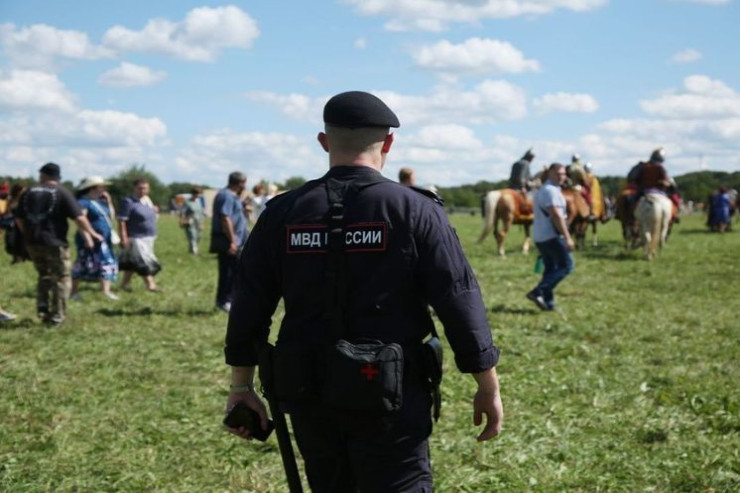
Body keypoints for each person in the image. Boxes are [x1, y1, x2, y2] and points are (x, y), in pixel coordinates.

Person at [224, 91, 503, 491]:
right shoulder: (415, 210)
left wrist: (240, 386)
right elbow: (458, 300)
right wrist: (486, 385)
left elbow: (250, 302)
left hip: (306, 389)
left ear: (324, 142)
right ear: (388, 143)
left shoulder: (282, 213)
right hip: (389, 391)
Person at [14, 163, 102, 325]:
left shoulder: (28, 192)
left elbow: (18, 217)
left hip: (33, 241)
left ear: (43, 175)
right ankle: (57, 315)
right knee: (61, 278)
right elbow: (79, 217)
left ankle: (42, 307)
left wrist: (27, 234)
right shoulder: (62, 192)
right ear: (57, 177)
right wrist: (92, 233)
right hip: (54, 242)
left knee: (43, 274)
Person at [527, 163, 575, 311]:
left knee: (551, 268)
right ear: (550, 174)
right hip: (552, 235)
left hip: (540, 236)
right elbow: (556, 214)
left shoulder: (544, 190)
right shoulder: (551, 191)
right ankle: (538, 292)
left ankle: (548, 303)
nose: (562, 176)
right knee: (566, 266)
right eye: (558, 173)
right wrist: (568, 237)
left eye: (564, 174)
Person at [70, 176, 119, 301]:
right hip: (90, 239)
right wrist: (87, 237)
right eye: (102, 187)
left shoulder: (100, 202)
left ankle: (106, 291)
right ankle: (73, 292)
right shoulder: (83, 202)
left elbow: (111, 217)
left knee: (106, 263)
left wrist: (109, 202)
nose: (105, 189)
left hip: (103, 240)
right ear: (93, 188)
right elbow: (80, 221)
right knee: (82, 263)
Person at [210, 172, 248, 312]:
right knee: (228, 272)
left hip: (236, 241)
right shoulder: (226, 195)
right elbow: (225, 218)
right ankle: (224, 300)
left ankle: (229, 299)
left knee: (235, 270)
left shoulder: (233, 196)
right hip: (229, 241)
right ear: (240, 183)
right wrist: (232, 241)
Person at [118, 178, 161, 292]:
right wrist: (123, 237)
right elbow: (122, 221)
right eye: (140, 188)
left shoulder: (147, 201)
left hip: (148, 236)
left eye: (145, 188)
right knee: (143, 261)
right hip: (135, 237)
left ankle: (124, 284)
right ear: (134, 188)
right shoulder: (128, 202)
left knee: (133, 262)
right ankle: (150, 285)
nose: (142, 190)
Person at [179, 187, 205, 254]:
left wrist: (202, 223)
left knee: (198, 237)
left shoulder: (199, 202)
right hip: (190, 222)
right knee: (192, 237)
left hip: (198, 222)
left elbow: (201, 213)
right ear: (194, 194)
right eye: (198, 194)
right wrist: (182, 221)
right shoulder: (187, 202)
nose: (199, 196)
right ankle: (194, 252)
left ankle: (193, 250)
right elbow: (182, 213)